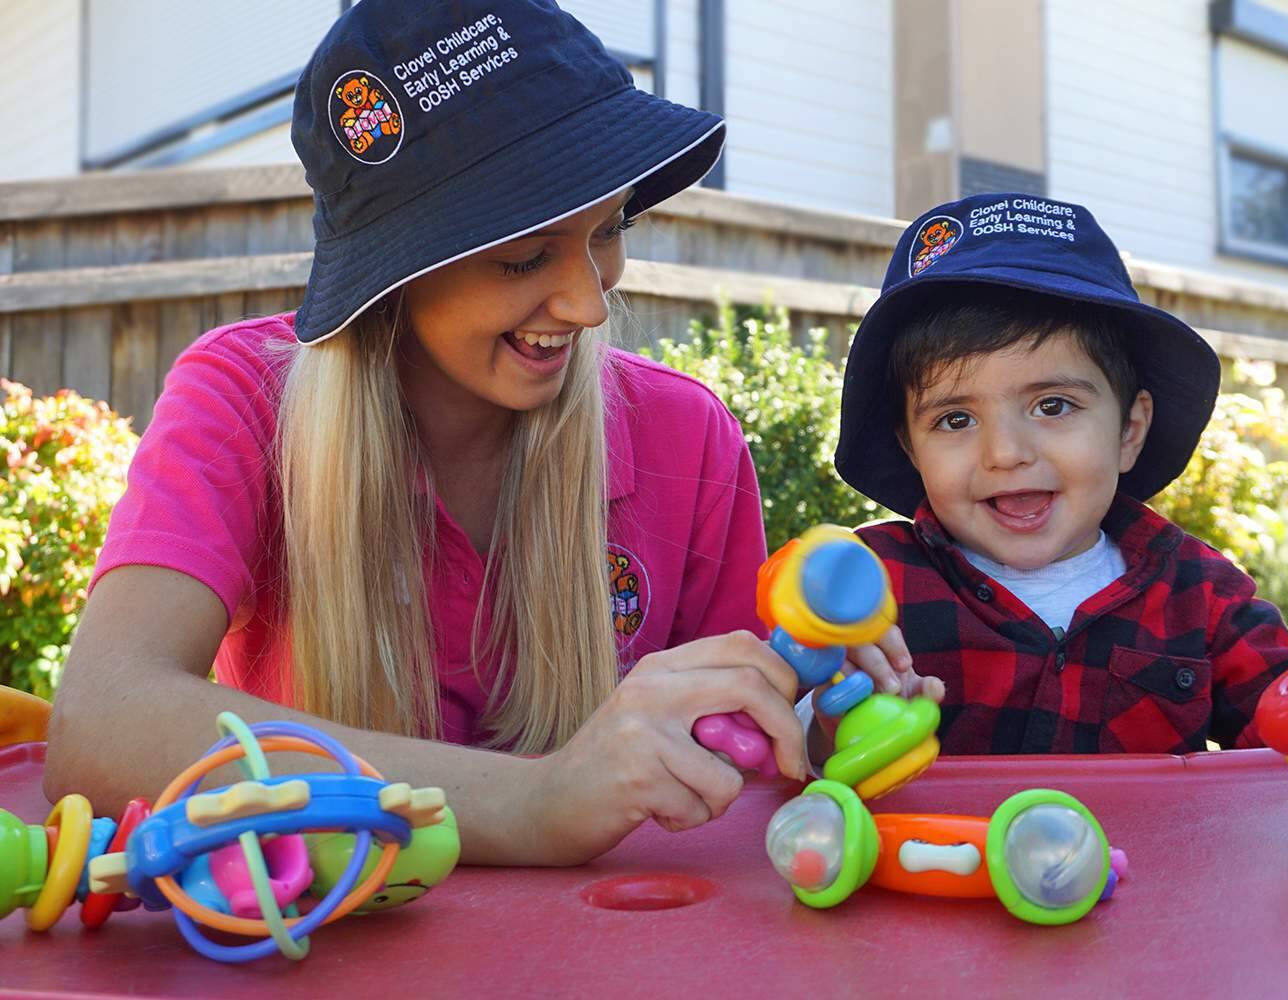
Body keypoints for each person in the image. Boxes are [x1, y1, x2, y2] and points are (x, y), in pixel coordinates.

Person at [45, 0, 806, 868]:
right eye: (524, 257)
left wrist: (822, 687)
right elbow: (100, 722)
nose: (591, 304)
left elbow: (749, 774)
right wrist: (535, 804)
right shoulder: (242, 398)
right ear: (395, 272)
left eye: (609, 230)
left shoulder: (689, 435)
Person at [806, 193, 1288, 760]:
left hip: (1159, 905)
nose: (1005, 453)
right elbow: (784, 761)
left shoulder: (1204, 598)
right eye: (954, 420)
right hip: (929, 900)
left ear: (1129, 429)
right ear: (911, 445)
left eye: (1053, 405)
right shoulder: (864, 593)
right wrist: (833, 719)